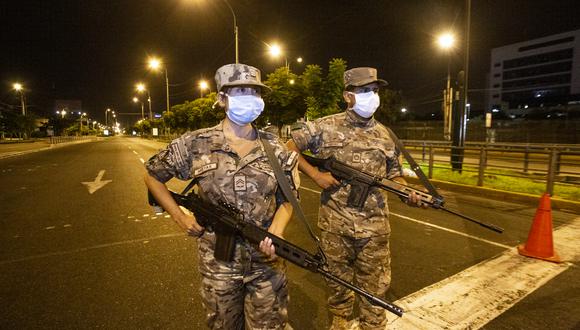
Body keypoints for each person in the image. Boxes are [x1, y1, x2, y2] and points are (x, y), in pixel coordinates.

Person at [145, 63, 300, 330]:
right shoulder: (195, 143)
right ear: (221, 98)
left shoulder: (275, 147)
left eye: (255, 92)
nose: (250, 98)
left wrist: (276, 232)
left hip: (266, 263)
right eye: (240, 90)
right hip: (218, 264)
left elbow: (288, 199)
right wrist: (179, 216)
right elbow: (152, 175)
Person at [287, 67, 424, 330]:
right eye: (364, 91)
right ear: (348, 96)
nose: (371, 96)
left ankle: (373, 325)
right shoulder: (325, 127)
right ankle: (340, 321)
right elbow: (289, 147)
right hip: (335, 226)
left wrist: (407, 192)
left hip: (375, 229)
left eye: (374, 90)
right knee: (337, 284)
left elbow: (395, 175)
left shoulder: (387, 135)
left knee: (375, 288)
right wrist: (315, 174)